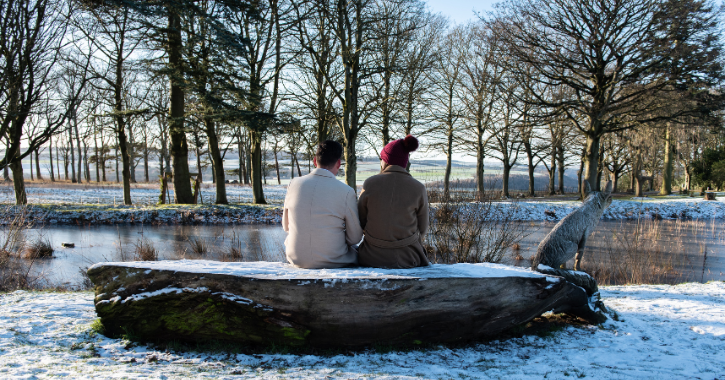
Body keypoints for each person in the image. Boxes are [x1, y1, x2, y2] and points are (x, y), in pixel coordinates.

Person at [282, 140, 363, 268]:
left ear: (315, 161)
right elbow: (355, 238)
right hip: (333, 261)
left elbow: (286, 226)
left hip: (296, 258)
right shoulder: (346, 192)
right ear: (338, 163)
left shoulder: (294, 184)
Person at [357, 135, 429, 268]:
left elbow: (360, 220)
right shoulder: (418, 188)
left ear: (385, 161)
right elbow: (423, 228)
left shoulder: (370, 184)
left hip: (370, 257)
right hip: (409, 258)